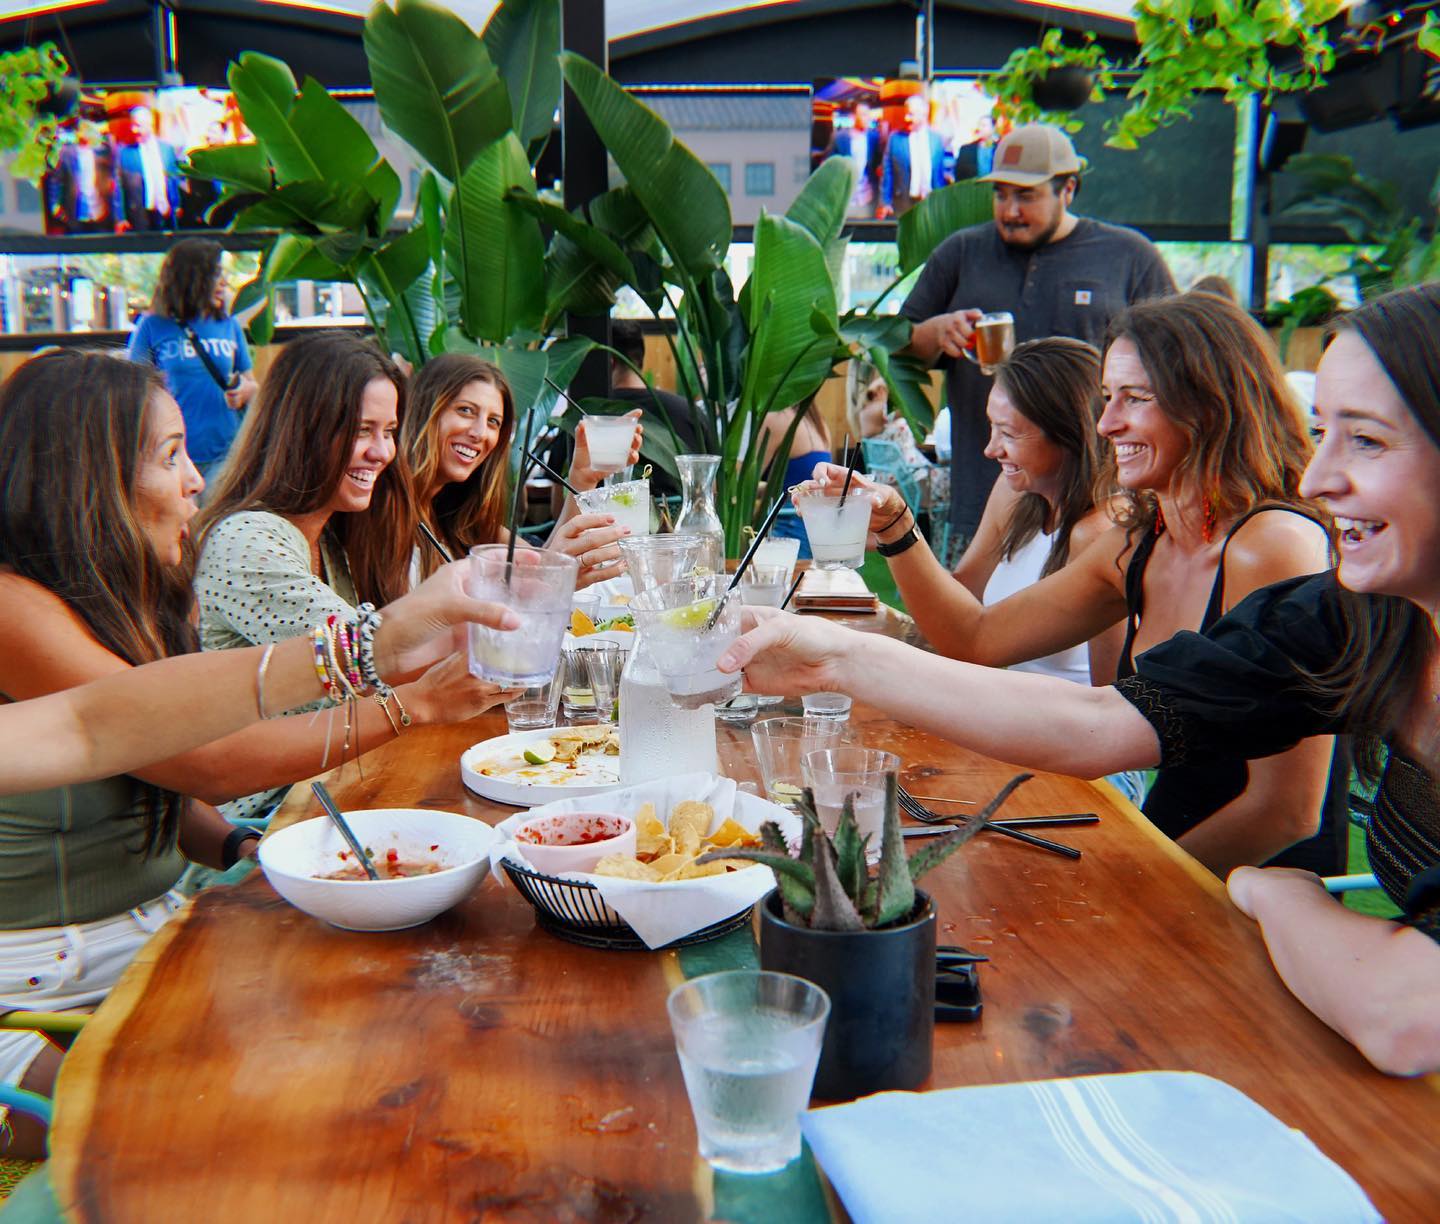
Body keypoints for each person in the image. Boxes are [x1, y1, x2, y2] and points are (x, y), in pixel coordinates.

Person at [722, 284, 1440, 1077]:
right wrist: (834, 652)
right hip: (1223, 912)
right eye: (1325, 433)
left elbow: (1397, 1003)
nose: (1319, 479)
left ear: (1208, 404)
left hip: (1259, 945)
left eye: (1367, 440)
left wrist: (1269, 894)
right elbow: (1087, 714)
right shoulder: (1347, 608)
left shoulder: (1279, 550)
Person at [0, 349, 519, 1154]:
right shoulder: (12, 606)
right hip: (34, 993)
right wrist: (394, 677)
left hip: (152, 936)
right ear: (84, 476)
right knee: (236, 1133)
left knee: (396, 1039)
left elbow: (152, 781)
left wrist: (238, 847)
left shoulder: (127, 594)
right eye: (171, 454)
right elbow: (163, 748)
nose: (195, 480)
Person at [804, 292, 1342, 877]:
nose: (1107, 423)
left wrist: (1146, 893)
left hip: (1255, 878)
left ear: (1209, 405)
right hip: (1164, 836)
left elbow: (1287, 813)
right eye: (1108, 398)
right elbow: (977, 638)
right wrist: (895, 527)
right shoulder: (1143, 539)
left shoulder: (1272, 543)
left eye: (1136, 398)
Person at [193, 332, 517, 817]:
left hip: (335, 789)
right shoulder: (249, 540)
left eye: (389, 431)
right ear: (303, 428)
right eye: (363, 430)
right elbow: (362, 663)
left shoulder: (328, 538)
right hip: (269, 818)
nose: (383, 452)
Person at [901, 122, 1175, 546]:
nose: (1010, 210)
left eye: (1026, 196)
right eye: (1001, 195)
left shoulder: (1129, 256)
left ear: (1068, 189)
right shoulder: (961, 251)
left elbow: (1172, 365)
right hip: (980, 497)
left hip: (1099, 502)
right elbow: (898, 344)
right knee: (965, 590)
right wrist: (934, 333)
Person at [403, 352, 641, 585]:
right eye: (465, 410)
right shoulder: (391, 511)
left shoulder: (461, 515)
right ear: (424, 409)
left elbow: (539, 569)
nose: (480, 433)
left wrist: (581, 480)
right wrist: (552, 574)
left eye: (493, 421)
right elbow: (545, 574)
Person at [127, 237, 258, 485]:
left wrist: (245, 391)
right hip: (173, 455)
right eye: (216, 275)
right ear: (193, 278)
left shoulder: (228, 325)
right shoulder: (152, 325)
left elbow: (252, 385)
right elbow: (132, 390)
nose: (224, 282)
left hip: (227, 453)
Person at [608, 319, 701, 498]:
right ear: (640, 359)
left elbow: (559, 502)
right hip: (682, 515)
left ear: (610, 362)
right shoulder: (690, 412)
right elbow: (710, 486)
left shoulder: (588, 418)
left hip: (607, 515)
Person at [851, 371, 949, 536]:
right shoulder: (882, 411)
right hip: (913, 481)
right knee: (955, 478)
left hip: (899, 479)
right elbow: (913, 410)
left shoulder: (866, 413)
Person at [113, 105, 181, 232]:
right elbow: (119, 188)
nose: (134, 130)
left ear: (150, 125)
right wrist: (121, 217)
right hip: (140, 217)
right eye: (132, 126)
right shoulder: (126, 154)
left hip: (167, 214)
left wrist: (177, 205)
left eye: (138, 126)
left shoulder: (167, 150)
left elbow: (174, 179)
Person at [879, 93, 949, 219]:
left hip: (931, 204)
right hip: (903, 204)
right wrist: (885, 202)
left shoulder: (936, 139)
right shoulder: (895, 139)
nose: (906, 118)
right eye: (906, 114)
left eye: (911, 114)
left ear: (924, 113)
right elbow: (887, 172)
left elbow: (940, 173)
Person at [825, 101, 883, 216]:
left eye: (868, 115)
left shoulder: (874, 137)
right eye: (863, 114)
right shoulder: (839, 137)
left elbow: (878, 163)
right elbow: (830, 166)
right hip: (845, 197)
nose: (867, 118)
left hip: (867, 196)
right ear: (853, 117)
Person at [951, 113, 997, 182]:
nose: (980, 128)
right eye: (979, 125)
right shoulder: (966, 150)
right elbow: (959, 176)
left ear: (993, 128)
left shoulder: (1000, 150)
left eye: (984, 125)